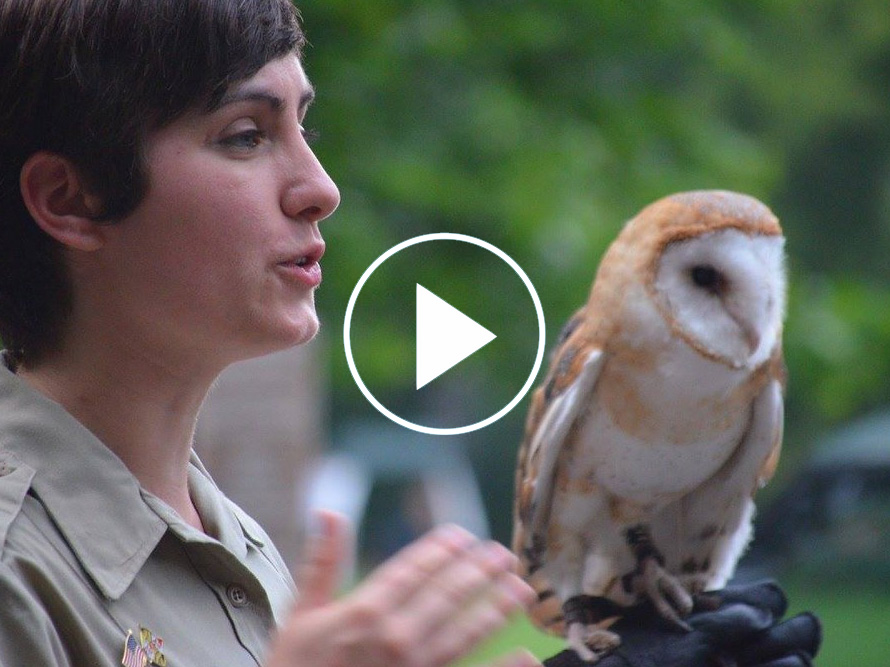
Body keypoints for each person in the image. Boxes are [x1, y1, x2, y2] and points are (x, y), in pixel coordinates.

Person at [0, 1, 819, 666]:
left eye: (304, 128)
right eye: (246, 135)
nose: (319, 188)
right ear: (70, 200)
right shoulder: (18, 567)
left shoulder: (226, 537)